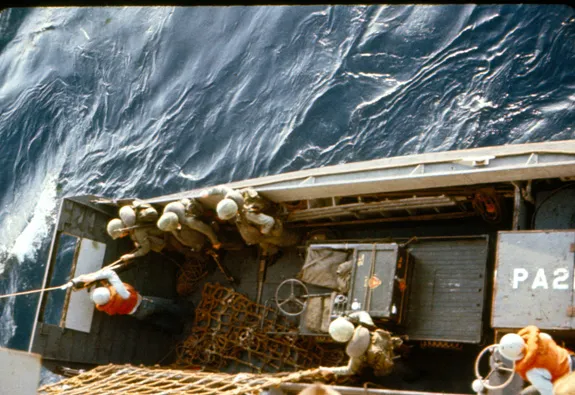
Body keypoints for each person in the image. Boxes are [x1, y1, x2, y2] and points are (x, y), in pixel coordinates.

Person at [65, 269, 189, 332]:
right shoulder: (122, 293)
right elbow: (110, 273)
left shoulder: (107, 307)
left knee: (160, 321)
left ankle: (178, 328)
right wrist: (85, 277)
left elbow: (108, 296)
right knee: (168, 306)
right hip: (145, 304)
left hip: (138, 314)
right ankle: (188, 312)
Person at [200, 186, 298, 255]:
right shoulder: (231, 195)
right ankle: (274, 253)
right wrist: (208, 192)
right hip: (256, 233)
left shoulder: (249, 214)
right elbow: (221, 189)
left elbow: (270, 221)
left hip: (264, 231)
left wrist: (263, 232)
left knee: (284, 240)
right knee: (264, 245)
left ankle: (296, 242)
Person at [319, 311, 403, 377]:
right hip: (390, 344)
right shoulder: (366, 326)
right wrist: (346, 319)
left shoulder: (356, 353)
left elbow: (349, 370)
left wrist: (329, 370)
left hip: (388, 364)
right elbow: (362, 313)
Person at [498, 325, 575, 395]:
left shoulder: (532, 372)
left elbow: (548, 391)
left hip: (568, 377)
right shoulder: (541, 337)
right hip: (570, 358)